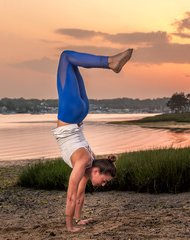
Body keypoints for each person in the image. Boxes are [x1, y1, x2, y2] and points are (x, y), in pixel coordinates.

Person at [52, 49, 133, 232]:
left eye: (104, 183)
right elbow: (71, 196)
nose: (102, 185)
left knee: (70, 61)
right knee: (65, 57)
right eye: (104, 180)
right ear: (96, 170)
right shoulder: (83, 162)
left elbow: (79, 195)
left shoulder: (89, 160)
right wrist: (70, 227)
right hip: (71, 114)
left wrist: (78, 219)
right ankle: (110, 62)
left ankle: (110, 62)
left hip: (80, 113)